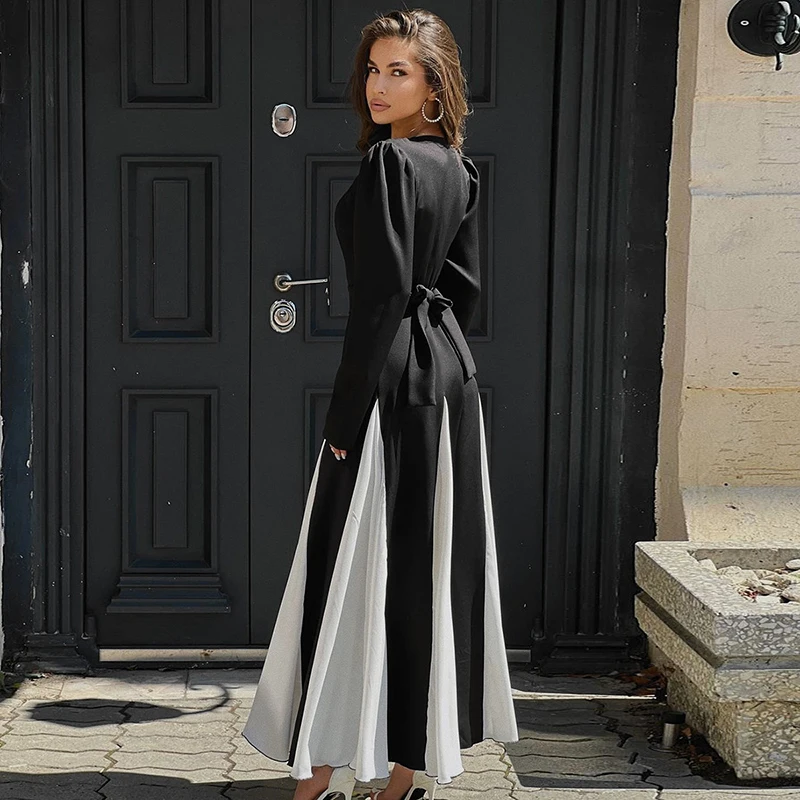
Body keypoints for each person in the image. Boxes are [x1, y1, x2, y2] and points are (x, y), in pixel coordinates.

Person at [242, 9, 519, 800]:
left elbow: (379, 301)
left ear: (434, 85)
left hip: (392, 381)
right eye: (373, 68)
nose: (378, 84)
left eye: (400, 71)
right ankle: (398, 777)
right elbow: (463, 290)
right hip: (447, 379)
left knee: (352, 562)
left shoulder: (393, 162)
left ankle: (319, 774)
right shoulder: (458, 168)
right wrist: (433, 349)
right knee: (424, 567)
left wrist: (342, 420)